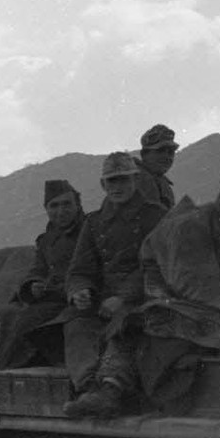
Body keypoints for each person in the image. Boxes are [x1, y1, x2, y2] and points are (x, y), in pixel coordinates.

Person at [64, 158, 220, 417]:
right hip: (169, 295)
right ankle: (108, 390)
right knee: (133, 327)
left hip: (216, 298)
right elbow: (190, 280)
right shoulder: (194, 223)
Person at [60, 152, 167, 415]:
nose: (117, 187)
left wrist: (123, 297)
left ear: (135, 180)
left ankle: (110, 390)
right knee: (76, 322)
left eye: (123, 180)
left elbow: (157, 266)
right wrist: (80, 291)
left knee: (126, 324)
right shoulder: (94, 223)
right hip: (104, 299)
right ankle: (88, 388)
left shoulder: (155, 216)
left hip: (145, 296)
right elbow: (79, 269)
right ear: (102, 185)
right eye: (111, 182)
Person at [0, 180, 85, 368]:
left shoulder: (89, 232)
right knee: (8, 313)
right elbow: (38, 269)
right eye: (54, 205)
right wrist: (34, 285)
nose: (61, 211)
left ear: (77, 205)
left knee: (28, 321)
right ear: (46, 209)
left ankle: (4, 373)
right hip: (51, 297)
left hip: (76, 298)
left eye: (67, 204)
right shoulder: (46, 240)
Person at [135, 124, 178, 210]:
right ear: (144, 154)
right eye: (160, 151)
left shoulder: (159, 181)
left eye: (171, 152)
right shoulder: (139, 180)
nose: (166, 156)